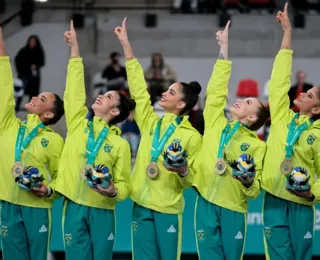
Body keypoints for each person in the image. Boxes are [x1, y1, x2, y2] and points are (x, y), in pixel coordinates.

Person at [114, 18, 202, 260]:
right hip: (141, 206)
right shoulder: (151, 123)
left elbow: (193, 180)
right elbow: (139, 92)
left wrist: (183, 170)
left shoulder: (192, 137)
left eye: (171, 92)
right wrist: (126, 45)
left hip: (168, 210)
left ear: (182, 104)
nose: (164, 93)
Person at [55, 21, 134, 260]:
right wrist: (75, 50)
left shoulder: (120, 144)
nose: (101, 95)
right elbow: (74, 91)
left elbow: (124, 185)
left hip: (102, 210)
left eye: (109, 96)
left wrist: (113, 191)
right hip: (73, 207)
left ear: (115, 112)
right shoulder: (79, 124)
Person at [193, 21, 269, 260]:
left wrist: (247, 181)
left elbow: (255, 190)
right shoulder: (216, 123)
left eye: (248, 102)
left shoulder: (258, 145)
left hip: (234, 209)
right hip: (205, 203)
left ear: (253, 117)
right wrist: (224, 50)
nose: (241, 100)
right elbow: (215, 92)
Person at [0, 26, 64, 260]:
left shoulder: (54, 141)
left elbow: (62, 177)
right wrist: (2, 49)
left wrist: (48, 190)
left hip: (37, 208)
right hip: (7, 203)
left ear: (48, 115)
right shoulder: (9, 125)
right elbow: (4, 88)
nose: (35, 97)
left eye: (43, 99)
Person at [262, 3, 320, 260]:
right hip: (273, 199)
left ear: (317, 110)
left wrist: (311, 194)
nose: (303, 91)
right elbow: (278, 83)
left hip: (300, 204)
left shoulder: (318, 136)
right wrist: (287, 34)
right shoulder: (284, 117)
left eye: (310, 95)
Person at [15, 35, 45, 111]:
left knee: (33, 92)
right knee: (21, 91)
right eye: (31, 41)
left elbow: (42, 62)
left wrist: (36, 65)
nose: (32, 43)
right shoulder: (24, 50)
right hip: (24, 75)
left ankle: (30, 107)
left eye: (34, 42)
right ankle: (17, 107)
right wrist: (22, 69)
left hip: (34, 75)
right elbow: (17, 60)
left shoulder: (39, 51)